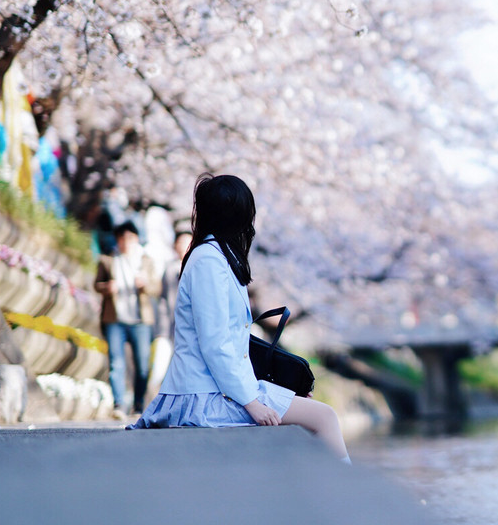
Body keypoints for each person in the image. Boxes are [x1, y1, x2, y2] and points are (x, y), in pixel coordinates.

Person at [129, 174, 349, 462]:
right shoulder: (209, 261)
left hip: (215, 389)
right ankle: (349, 499)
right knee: (324, 417)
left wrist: (281, 393)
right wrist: (252, 404)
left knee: (317, 416)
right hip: (204, 397)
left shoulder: (215, 257)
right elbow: (216, 344)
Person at [94, 221, 162, 417]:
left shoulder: (146, 260)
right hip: (115, 318)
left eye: (129, 238)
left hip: (141, 320)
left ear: (136, 239)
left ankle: (138, 403)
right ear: (117, 240)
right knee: (116, 362)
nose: (125, 243)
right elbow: (96, 284)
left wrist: (145, 285)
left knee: (142, 364)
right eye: (121, 239)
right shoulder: (107, 259)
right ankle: (119, 405)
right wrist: (107, 288)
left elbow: (156, 288)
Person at [145, 228, 192, 404]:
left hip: (188, 328)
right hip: (168, 327)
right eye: (180, 243)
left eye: (186, 243)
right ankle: (151, 403)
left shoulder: (197, 266)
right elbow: (162, 299)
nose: (182, 247)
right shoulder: (170, 268)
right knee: (160, 366)